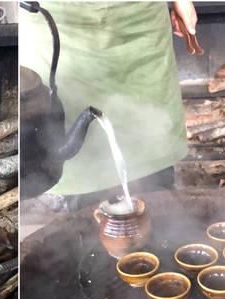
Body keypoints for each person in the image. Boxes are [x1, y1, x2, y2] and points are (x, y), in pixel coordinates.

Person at [20, 1, 198, 209]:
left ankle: (162, 221)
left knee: (154, 166)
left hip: (141, 18)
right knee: (85, 202)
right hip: (62, 21)